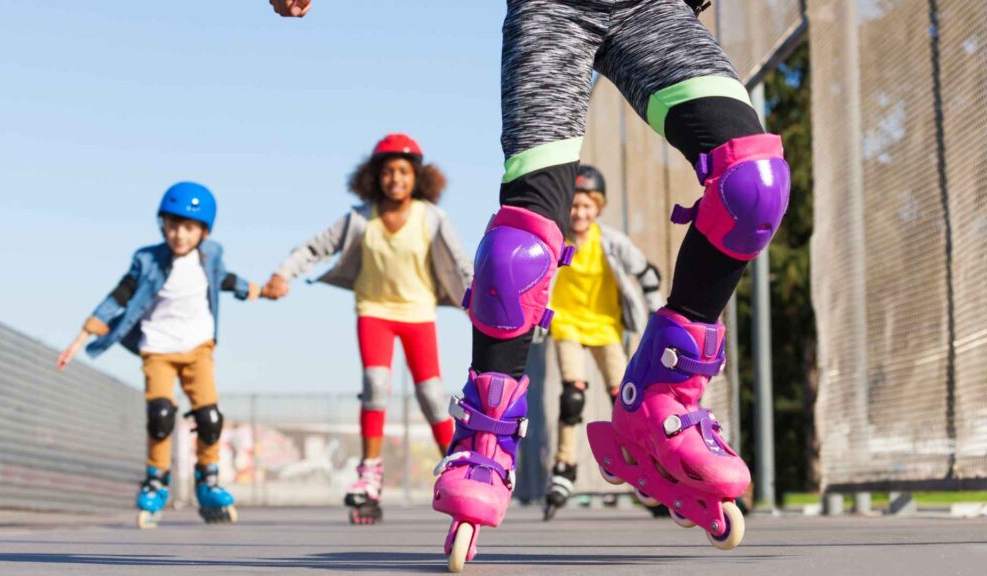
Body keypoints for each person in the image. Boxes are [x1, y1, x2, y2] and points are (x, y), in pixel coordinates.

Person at [268, 0, 790, 568]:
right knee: (523, 243)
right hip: (553, 11)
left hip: (654, 9)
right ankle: (485, 436)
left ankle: (662, 395)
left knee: (753, 184)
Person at [261, 134, 472, 525]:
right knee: (376, 384)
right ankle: (369, 474)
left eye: (404, 172)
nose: (395, 179)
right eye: (388, 171)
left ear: (418, 177)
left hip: (419, 312)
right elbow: (312, 248)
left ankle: (457, 466)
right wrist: (282, 274)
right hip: (373, 310)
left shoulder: (432, 218)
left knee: (430, 394)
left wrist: (485, 302)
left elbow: (462, 265)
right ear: (374, 177)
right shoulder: (359, 218)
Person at [57, 182, 259, 528]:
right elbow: (121, 293)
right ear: (162, 225)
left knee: (209, 417)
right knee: (162, 413)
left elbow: (223, 279)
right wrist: (86, 331)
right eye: (172, 225)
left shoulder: (211, 255)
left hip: (199, 347)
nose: (179, 235)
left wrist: (253, 290)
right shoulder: (147, 259)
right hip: (157, 349)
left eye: (189, 227)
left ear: (203, 231)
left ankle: (207, 480)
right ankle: (155, 480)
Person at [543, 165, 662, 521]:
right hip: (565, 324)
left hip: (606, 327)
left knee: (625, 399)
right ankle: (565, 467)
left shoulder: (610, 240)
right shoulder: (554, 239)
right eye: (573, 206)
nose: (579, 214)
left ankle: (647, 463)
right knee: (573, 394)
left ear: (599, 208)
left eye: (587, 207)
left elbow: (647, 273)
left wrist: (656, 317)